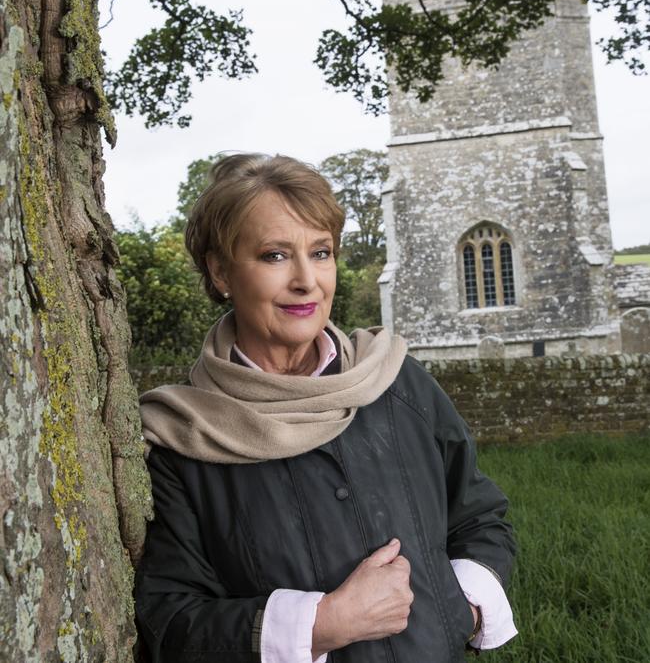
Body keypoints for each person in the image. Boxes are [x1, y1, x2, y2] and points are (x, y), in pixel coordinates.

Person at [135, 153, 518, 663]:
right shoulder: (181, 437)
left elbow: (480, 517)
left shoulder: (398, 382)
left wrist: (459, 609)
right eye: (274, 255)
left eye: (320, 252)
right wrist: (321, 626)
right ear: (221, 271)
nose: (306, 281)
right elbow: (168, 619)